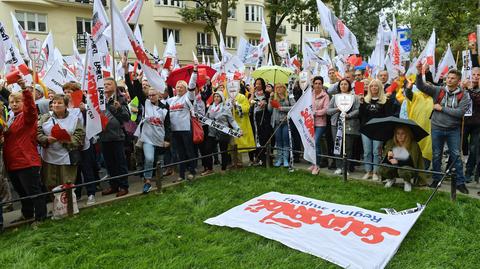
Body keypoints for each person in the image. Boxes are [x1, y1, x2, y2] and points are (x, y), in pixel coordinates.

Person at [416, 62, 469, 194]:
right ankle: (436, 180)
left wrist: (442, 108)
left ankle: (460, 183)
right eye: (448, 77)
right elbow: (421, 86)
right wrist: (419, 72)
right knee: (436, 155)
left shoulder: (464, 95)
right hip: (437, 127)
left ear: (458, 81)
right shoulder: (438, 90)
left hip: (453, 129)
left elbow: (460, 113)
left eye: (452, 78)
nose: (449, 80)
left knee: (456, 155)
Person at [4, 79, 47, 224]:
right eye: (12, 102)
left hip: (26, 161)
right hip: (12, 162)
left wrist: (25, 90)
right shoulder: (10, 118)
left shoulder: (27, 117)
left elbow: (31, 108)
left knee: (33, 192)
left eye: (18, 101)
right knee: (22, 193)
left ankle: (41, 217)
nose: (15, 104)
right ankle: (27, 214)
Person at [37, 94, 85, 190]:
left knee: (66, 184)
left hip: (67, 157)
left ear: (66, 106)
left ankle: (68, 203)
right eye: (54, 103)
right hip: (49, 157)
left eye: (59, 103)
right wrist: (46, 139)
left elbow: (80, 136)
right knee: (50, 184)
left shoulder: (74, 119)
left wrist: (67, 140)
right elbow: (37, 133)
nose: (56, 105)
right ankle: (56, 204)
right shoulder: (45, 118)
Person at [166, 64, 198, 182]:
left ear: (185, 89)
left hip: (185, 129)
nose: (178, 88)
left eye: (181, 87)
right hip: (175, 130)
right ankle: (181, 174)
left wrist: (194, 72)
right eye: (177, 87)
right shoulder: (171, 100)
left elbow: (192, 85)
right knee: (180, 153)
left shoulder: (188, 97)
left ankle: (192, 171)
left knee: (189, 151)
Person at [100, 78, 131, 197]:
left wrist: (118, 108)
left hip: (117, 136)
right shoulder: (100, 100)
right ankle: (113, 185)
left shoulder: (120, 99)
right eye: (104, 84)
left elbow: (127, 118)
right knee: (109, 163)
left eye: (109, 84)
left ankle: (123, 186)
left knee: (120, 162)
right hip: (104, 136)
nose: (106, 86)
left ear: (115, 86)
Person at [136, 87, 170, 193]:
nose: (151, 97)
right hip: (147, 138)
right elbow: (135, 91)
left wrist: (167, 140)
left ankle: (159, 183)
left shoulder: (165, 107)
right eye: (149, 95)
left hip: (160, 138)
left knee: (160, 161)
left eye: (153, 95)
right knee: (149, 159)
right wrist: (133, 78)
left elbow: (167, 124)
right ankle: (147, 182)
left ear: (158, 95)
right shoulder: (146, 104)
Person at [359, 79, 392, 180]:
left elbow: (388, 116)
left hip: (379, 130)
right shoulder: (365, 100)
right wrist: (361, 105)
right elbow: (361, 116)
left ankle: (375, 172)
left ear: (380, 87)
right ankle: (368, 171)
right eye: (372, 86)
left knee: (376, 152)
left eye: (376, 86)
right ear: (369, 88)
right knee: (367, 152)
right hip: (366, 130)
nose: (374, 87)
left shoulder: (385, 100)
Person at [327, 79, 360, 175]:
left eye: (345, 84)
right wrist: (337, 109)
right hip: (336, 124)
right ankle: (338, 167)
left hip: (349, 124)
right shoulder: (335, 97)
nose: (343, 86)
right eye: (341, 84)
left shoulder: (354, 97)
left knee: (348, 147)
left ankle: (346, 168)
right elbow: (328, 111)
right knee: (337, 146)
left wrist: (348, 115)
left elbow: (357, 110)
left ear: (349, 86)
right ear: (339, 86)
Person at [202, 91, 241, 174]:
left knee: (223, 150)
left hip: (223, 132)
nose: (216, 98)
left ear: (222, 98)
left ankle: (223, 168)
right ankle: (210, 169)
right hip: (212, 132)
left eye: (218, 96)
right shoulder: (210, 107)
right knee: (207, 149)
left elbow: (231, 120)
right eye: (215, 96)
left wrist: (237, 129)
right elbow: (206, 118)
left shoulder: (225, 108)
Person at [380, 126, 426, 192]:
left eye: (403, 133)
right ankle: (391, 179)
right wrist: (389, 157)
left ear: (407, 134)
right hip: (394, 167)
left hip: (408, 169)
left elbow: (413, 162)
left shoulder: (413, 144)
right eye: (398, 133)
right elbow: (385, 160)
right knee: (382, 168)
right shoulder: (391, 143)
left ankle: (407, 182)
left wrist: (397, 161)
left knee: (404, 170)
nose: (400, 136)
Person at [268, 83, 294, 168]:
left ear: (284, 88)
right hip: (276, 122)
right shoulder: (274, 98)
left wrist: (283, 108)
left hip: (286, 122)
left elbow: (294, 107)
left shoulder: (289, 97)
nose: (278, 89)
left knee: (285, 141)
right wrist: (270, 98)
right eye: (277, 87)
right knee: (278, 141)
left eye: (280, 87)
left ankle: (286, 159)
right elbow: (269, 110)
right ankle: (279, 159)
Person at [249, 78, 272, 166]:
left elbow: (270, 106)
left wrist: (265, 103)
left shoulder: (267, 94)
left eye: (259, 84)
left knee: (264, 137)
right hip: (254, 118)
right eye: (256, 84)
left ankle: (265, 158)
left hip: (264, 118)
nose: (257, 85)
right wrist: (251, 93)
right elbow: (250, 103)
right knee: (256, 136)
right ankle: (258, 158)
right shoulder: (253, 94)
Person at [462, 67, 480, 183]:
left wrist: (470, 89)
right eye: (473, 74)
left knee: (474, 148)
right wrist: (463, 88)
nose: (475, 77)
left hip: (477, 124)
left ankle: (468, 172)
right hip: (463, 122)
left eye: (478, 75)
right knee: (460, 145)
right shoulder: (464, 86)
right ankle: (452, 169)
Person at [311, 76, 330, 175]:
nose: (317, 85)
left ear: (322, 85)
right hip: (310, 122)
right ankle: (313, 163)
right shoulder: (310, 94)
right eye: (316, 83)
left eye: (319, 83)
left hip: (320, 123)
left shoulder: (325, 96)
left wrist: (315, 112)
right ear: (313, 84)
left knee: (316, 141)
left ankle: (317, 165)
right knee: (311, 142)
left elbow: (326, 110)